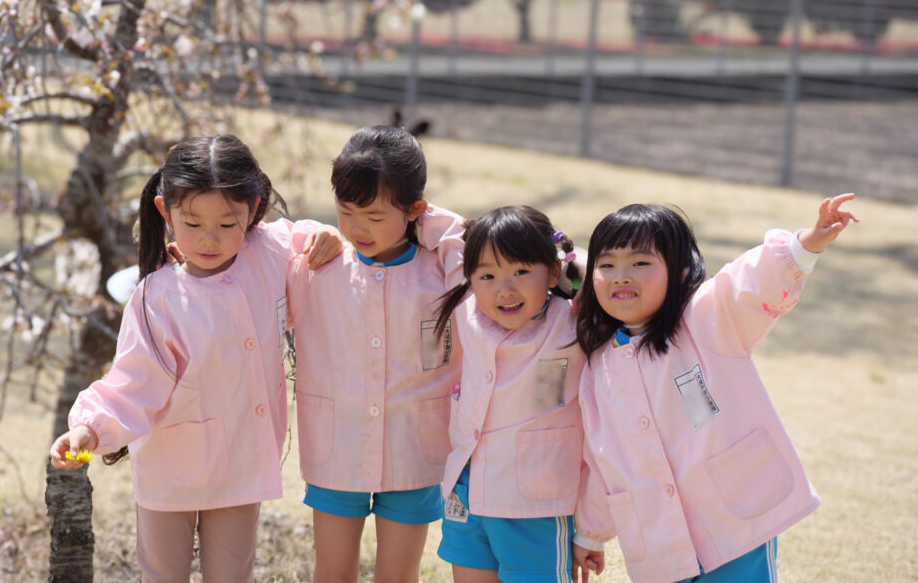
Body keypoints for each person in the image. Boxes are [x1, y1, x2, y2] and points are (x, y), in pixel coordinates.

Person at [49, 134, 342, 583]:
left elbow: (309, 246)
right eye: (193, 223)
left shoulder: (267, 252)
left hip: (240, 464)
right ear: (165, 211)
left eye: (226, 224)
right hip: (170, 472)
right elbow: (133, 382)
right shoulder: (158, 297)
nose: (209, 239)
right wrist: (89, 430)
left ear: (253, 210)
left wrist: (329, 237)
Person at [573, 194, 859, 583]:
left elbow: (749, 282)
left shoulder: (706, 318)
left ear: (680, 272)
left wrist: (807, 244)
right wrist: (591, 532)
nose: (621, 275)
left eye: (640, 263)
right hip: (658, 542)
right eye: (606, 265)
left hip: (735, 522)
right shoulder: (597, 366)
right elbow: (601, 458)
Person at [284, 125, 467, 583]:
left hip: (414, 451)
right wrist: (319, 231)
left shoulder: (443, 273)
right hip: (337, 448)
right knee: (332, 572)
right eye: (345, 212)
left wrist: (431, 224)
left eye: (374, 215)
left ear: (416, 210)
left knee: (398, 576)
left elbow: (469, 248)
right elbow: (257, 248)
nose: (357, 228)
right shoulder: (318, 267)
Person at [432, 205, 586, 583]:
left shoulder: (574, 323)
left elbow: (608, 274)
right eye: (487, 275)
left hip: (535, 508)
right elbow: (442, 231)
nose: (505, 289)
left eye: (521, 272)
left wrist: (573, 262)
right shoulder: (468, 311)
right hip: (466, 495)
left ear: (552, 271)